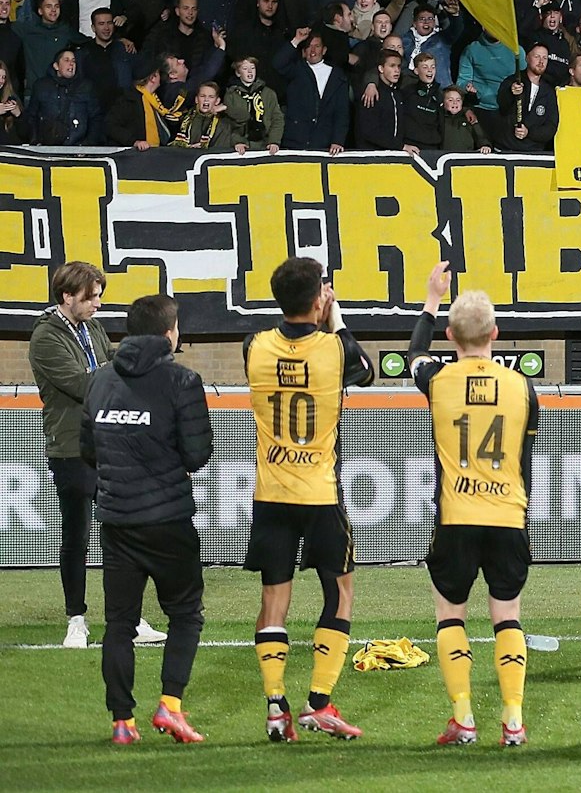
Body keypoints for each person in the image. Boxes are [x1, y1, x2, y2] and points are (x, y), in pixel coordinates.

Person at [243, 256, 375, 740]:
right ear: (319, 299)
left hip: (271, 494)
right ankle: (319, 702)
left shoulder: (254, 346)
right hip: (320, 493)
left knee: (273, 598)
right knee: (340, 592)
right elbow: (366, 371)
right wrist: (334, 317)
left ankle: (275, 705)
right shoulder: (335, 350)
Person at [408, 263, 537, 747]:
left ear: (450, 336)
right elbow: (525, 451)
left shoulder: (438, 380)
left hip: (457, 516)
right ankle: (513, 720)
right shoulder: (522, 386)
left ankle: (463, 717)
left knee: (450, 616)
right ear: (495, 334)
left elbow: (414, 354)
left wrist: (432, 299)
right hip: (507, 515)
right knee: (508, 616)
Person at [81, 294, 211, 746]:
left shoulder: (100, 379)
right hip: (168, 520)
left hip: (117, 521)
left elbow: (88, 450)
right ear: (169, 332)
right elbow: (197, 454)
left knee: (119, 624)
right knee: (186, 615)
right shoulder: (182, 380)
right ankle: (170, 707)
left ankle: (122, 722)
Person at [30, 262, 164, 650]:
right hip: (73, 447)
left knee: (123, 533)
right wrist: (122, 367)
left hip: (113, 443)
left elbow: (108, 364)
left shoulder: (93, 328)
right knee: (77, 535)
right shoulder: (46, 337)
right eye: (91, 297)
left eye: (99, 296)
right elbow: (83, 383)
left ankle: (129, 618)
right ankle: (76, 620)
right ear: (67, 296)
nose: (98, 304)